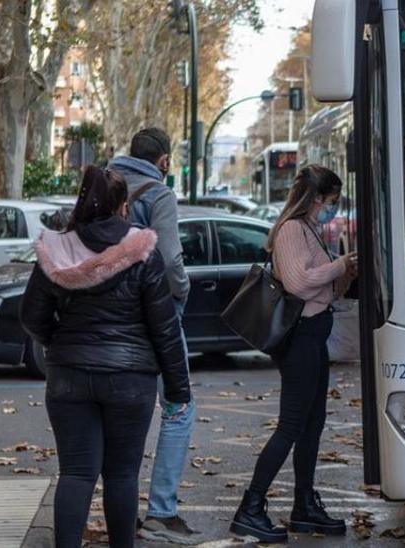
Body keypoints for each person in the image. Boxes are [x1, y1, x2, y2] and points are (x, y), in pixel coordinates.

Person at [20, 166, 190, 548]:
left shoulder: (56, 249)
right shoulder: (143, 250)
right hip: (131, 378)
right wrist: (178, 389)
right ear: (122, 205)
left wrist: (61, 343)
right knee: (122, 475)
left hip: (68, 376)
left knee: (76, 473)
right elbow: (164, 328)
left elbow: (31, 317)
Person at [231, 165, 357, 543]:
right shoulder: (290, 230)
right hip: (299, 339)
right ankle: (250, 507)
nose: (332, 208)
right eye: (331, 201)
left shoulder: (311, 230)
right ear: (316, 197)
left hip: (316, 335)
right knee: (290, 426)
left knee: (313, 424)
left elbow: (324, 292)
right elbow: (299, 283)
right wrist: (339, 265)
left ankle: (304, 505)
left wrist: (344, 275)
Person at [106, 127, 200, 543]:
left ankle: (115, 510)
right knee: (179, 405)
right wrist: (181, 290)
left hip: (105, 315)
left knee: (114, 411)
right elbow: (169, 256)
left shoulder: (103, 182)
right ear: (163, 160)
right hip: (154, 313)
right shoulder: (158, 194)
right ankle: (162, 510)